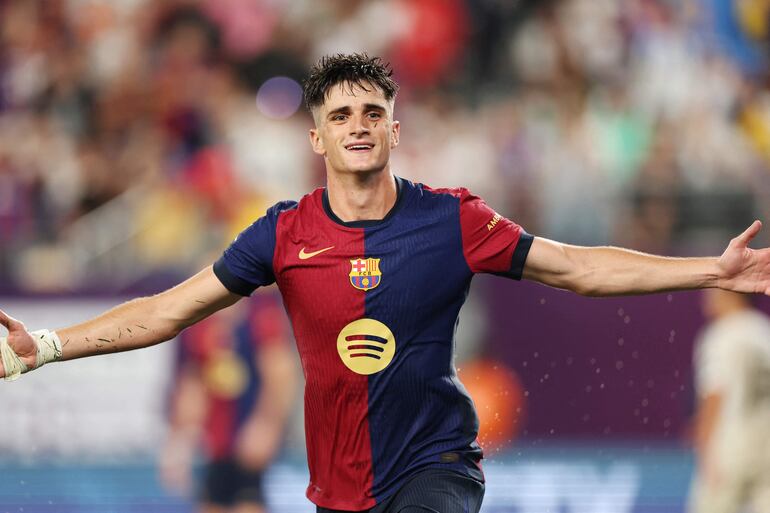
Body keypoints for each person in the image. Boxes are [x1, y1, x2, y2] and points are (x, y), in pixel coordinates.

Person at [3, 53, 770, 513]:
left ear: (395, 129)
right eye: (341, 114)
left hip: (438, 465)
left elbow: (576, 267)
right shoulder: (282, 233)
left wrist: (714, 268)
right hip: (338, 488)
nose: (359, 124)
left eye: (373, 111)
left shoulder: (452, 220)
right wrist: (47, 344)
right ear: (318, 135)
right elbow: (169, 310)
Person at [159, 291, 297, 513]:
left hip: (250, 431)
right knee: (214, 496)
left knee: (249, 495)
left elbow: (280, 372)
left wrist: (267, 423)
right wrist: (180, 442)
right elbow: (192, 386)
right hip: (217, 441)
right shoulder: (198, 323)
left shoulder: (260, 312)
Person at [688, 289, 770, 513]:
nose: (706, 298)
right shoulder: (763, 331)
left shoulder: (722, 334)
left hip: (729, 447)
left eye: (713, 292)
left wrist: (705, 450)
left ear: (731, 295)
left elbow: (715, 393)